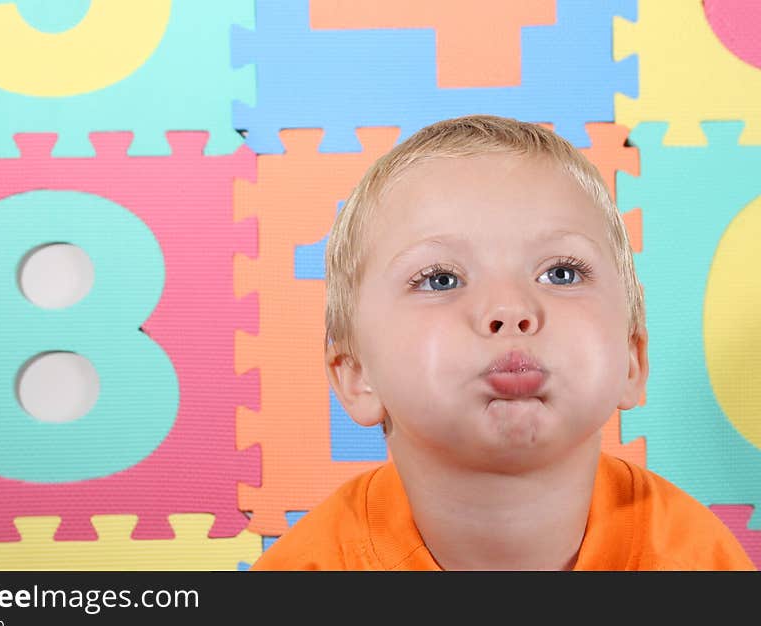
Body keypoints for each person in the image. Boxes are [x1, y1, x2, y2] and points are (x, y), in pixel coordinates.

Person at [250, 115, 756, 571]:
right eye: (440, 279)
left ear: (631, 358)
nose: (511, 310)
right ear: (356, 373)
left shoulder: (696, 562)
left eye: (561, 272)